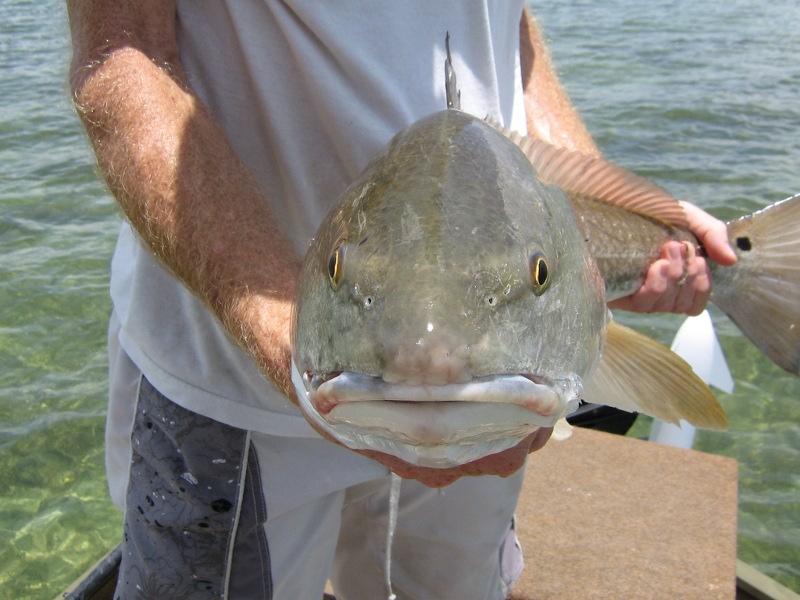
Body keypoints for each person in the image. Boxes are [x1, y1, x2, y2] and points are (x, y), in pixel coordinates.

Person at [67, 2, 737, 598]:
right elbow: (122, 52)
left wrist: (582, 246)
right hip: (236, 371)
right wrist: (285, 331)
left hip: (500, 374)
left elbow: (510, 32)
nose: (431, 360)